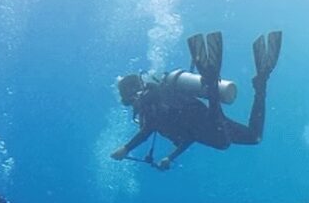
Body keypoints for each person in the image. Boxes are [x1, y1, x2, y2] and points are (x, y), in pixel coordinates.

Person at [111, 30, 282, 170]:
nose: (132, 104)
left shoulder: (147, 103)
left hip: (204, 123)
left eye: (129, 101)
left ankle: (211, 82)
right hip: (205, 119)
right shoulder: (155, 98)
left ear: (130, 96)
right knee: (254, 137)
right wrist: (170, 158)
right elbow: (188, 138)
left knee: (222, 142)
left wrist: (126, 148)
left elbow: (146, 131)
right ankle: (260, 87)